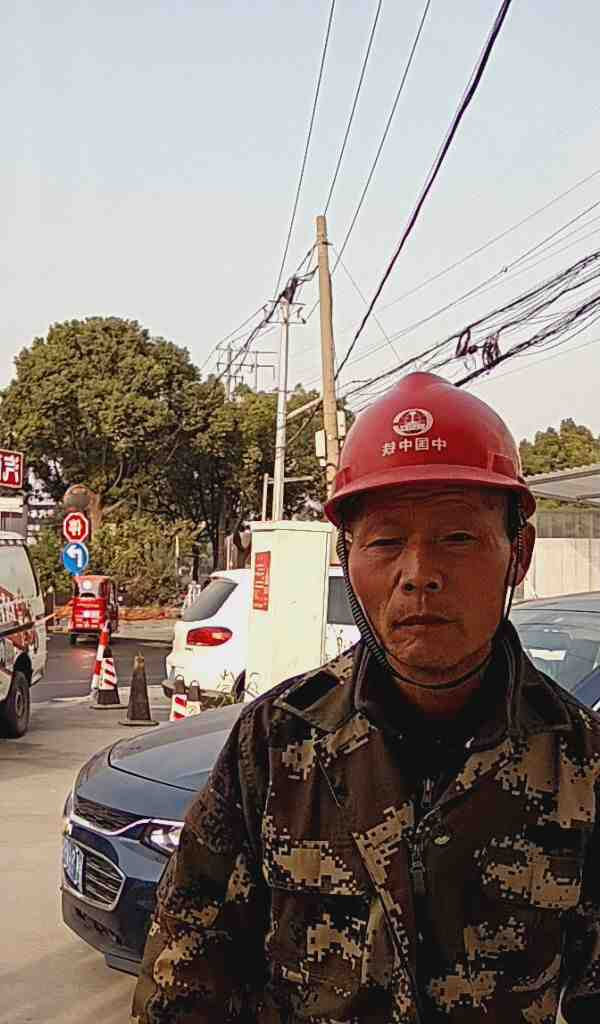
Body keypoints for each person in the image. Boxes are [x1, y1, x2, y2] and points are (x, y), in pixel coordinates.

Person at [131, 372, 600, 1023]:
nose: (419, 575)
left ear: (517, 555)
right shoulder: (275, 744)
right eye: (385, 542)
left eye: (457, 538)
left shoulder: (582, 764)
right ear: (348, 558)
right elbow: (182, 985)